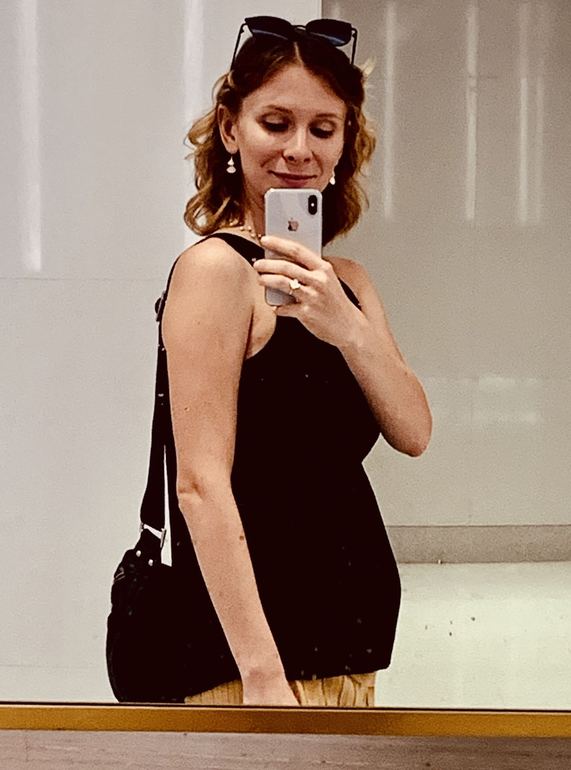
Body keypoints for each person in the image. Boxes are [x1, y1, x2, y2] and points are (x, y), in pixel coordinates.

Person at [160, 16, 432, 707]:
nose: (299, 149)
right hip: (250, 661)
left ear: (345, 140)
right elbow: (199, 485)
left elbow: (413, 431)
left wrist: (346, 326)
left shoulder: (349, 282)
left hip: (348, 641)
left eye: (322, 128)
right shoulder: (215, 271)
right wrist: (261, 675)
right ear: (231, 130)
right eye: (275, 123)